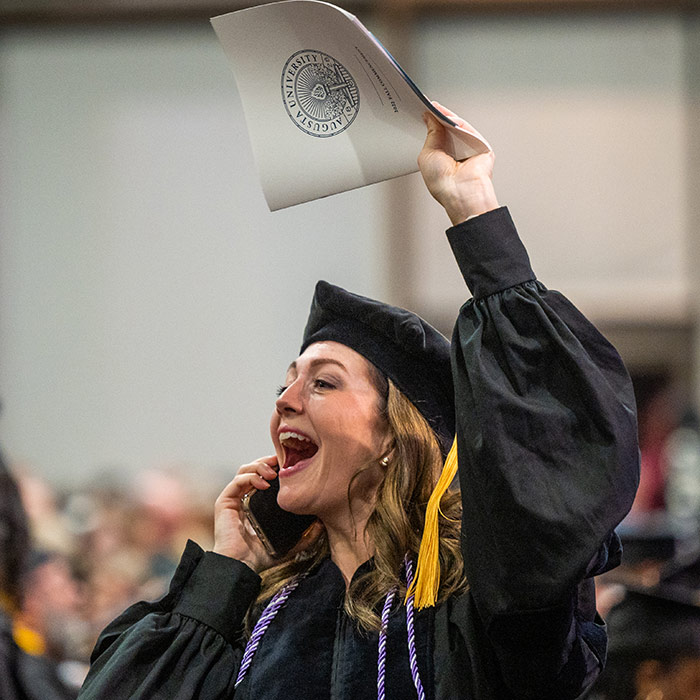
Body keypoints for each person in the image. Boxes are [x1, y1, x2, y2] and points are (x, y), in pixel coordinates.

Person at [77, 106, 639, 700]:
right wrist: (228, 572)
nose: (287, 401)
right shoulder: (253, 617)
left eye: (323, 382)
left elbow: (556, 471)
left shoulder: (470, 607)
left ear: (395, 437)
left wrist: (473, 210)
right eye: (285, 385)